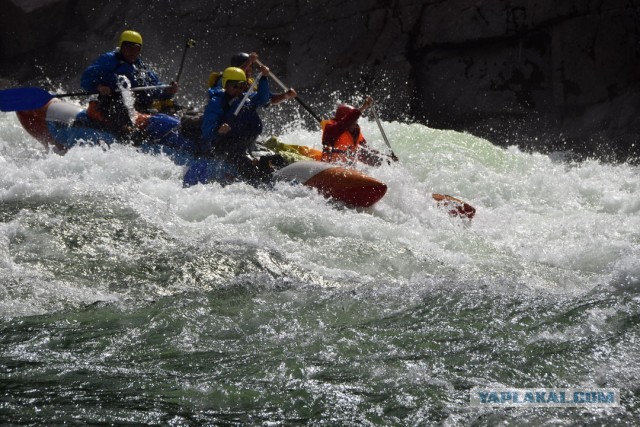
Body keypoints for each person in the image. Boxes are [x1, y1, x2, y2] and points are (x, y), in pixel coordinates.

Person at [198, 65, 295, 184]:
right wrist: (218, 129)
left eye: (242, 86)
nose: (239, 89)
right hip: (225, 145)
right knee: (249, 166)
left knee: (277, 159)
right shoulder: (217, 102)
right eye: (235, 86)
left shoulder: (247, 98)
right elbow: (207, 129)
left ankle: (291, 179)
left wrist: (264, 78)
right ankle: (261, 186)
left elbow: (263, 99)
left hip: (247, 144)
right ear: (226, 85)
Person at [80, 30, 178, 132]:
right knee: (118, 105)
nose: (132, 53)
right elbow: (86, 78)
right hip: (111, 102)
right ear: (121, 47)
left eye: (136, 49)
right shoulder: (109, 60)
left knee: (170, 107)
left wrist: (168, 91)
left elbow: (155, 87)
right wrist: (99, 87)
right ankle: (126, 131)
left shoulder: (140, 66)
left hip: (136, 106)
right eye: (128, 48)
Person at [321, 97, 396, 166]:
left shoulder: (355, 134)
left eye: (356, 120)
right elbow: (345, 122)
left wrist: (386, 160)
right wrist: (363, 107)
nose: (355, 123)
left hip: (348, 171)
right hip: (329, 166)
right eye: (353, 120)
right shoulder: (331, 130)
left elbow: (366, 154)